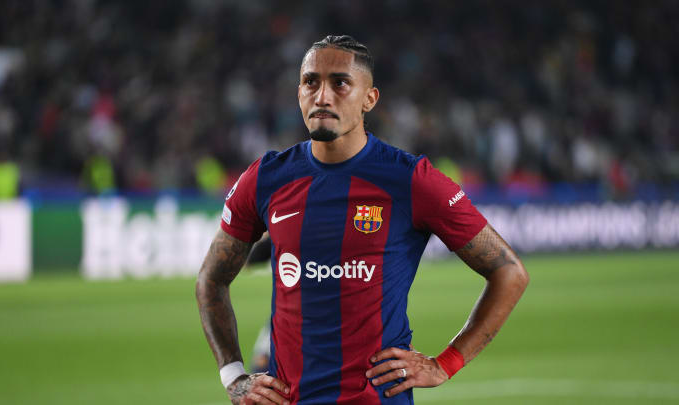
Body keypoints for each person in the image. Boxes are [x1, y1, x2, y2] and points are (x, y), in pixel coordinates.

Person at [196, 35, 529, 405]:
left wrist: (446, 363)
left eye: (340, 83)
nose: (322, 96)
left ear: (369, 99)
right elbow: (211, 278)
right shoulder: (266, 178)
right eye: (310, 82)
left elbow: (509, 272)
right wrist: (233, 375)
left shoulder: (410, 180)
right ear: (299, 93)